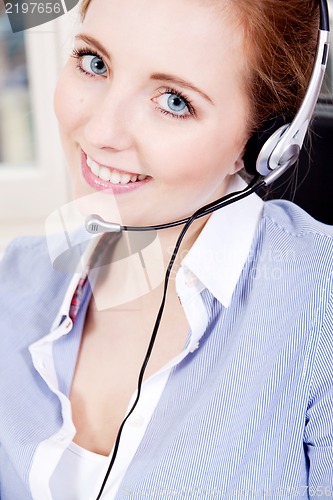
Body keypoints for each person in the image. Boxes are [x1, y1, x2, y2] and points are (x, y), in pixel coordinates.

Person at [0, 0, 332, 498]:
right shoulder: (14, 279)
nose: (100, 132)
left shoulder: (319, 304)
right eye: (95, 63)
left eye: (174, 100)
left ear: (267, 143)